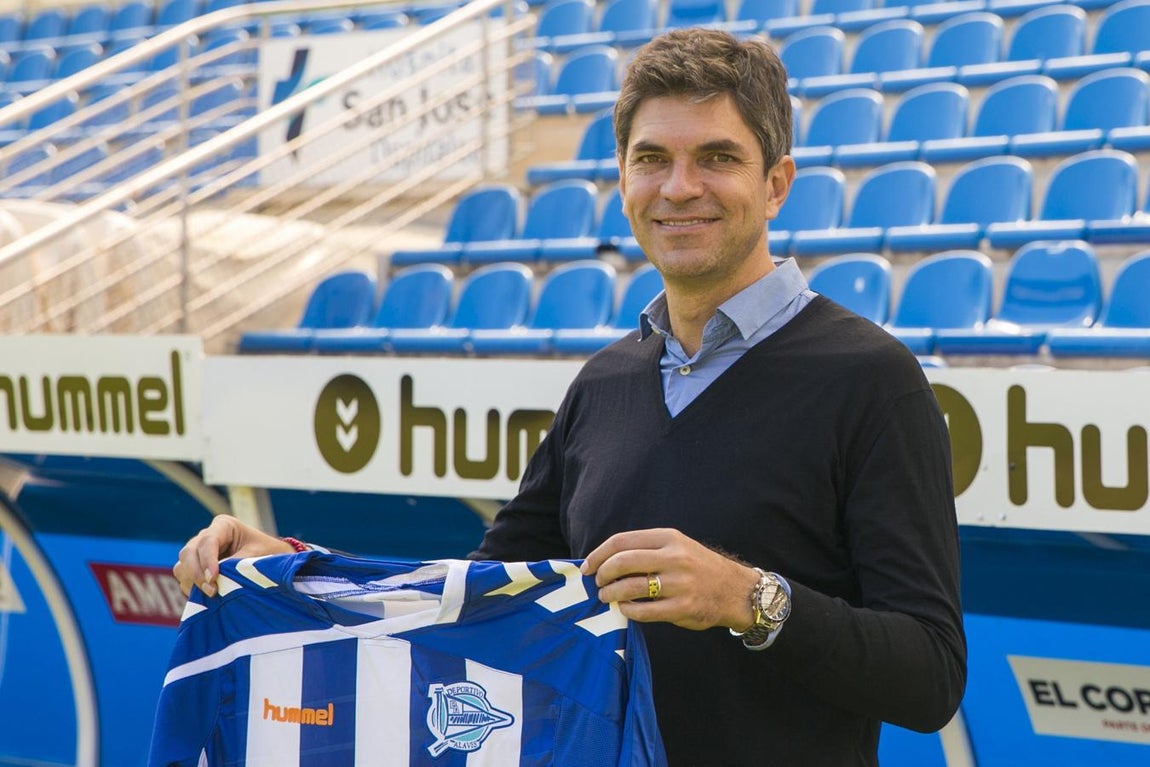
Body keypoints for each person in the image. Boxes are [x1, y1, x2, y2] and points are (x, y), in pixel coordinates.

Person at [175, 28, 966, 766]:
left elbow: (930, 674)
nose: (680, 187)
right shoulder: (605, 382)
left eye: (717, 157)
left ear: (776, 184)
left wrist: (745, 596)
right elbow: (473, 595)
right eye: (652, 158)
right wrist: (297, 566)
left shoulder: (871, 378)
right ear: (623, 180)